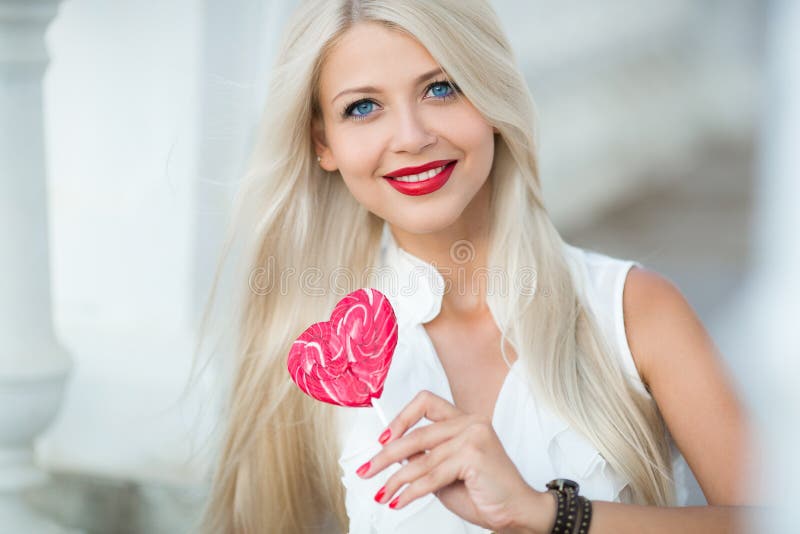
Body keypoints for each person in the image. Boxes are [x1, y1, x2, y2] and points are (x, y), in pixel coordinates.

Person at [196, 1, 758, 532]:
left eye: (442, 88)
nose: (412, 137)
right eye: (362, 107)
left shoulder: (635, 310)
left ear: (492, 98)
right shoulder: (317, 349)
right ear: (325, 143)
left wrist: (549, 515)